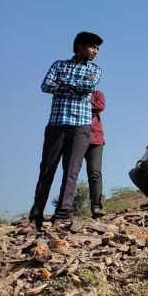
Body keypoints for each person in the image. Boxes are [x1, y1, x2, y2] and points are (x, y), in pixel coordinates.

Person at [29, 31, 103, 229]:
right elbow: (45, 85)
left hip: (81, 126)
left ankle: (61, 215)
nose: (96, 51)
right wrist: (74, 86)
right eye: (92, 47)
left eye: (97, 48)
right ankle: (36, 214)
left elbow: (87, 87)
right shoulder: (59, 65)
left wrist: (62, 84)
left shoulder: (95, 69)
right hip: (57, 124)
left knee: (71, 172)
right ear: (79, 46)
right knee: (47, 170)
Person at [85, 90, 106, 218]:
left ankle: (96, 206)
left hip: (95, 138)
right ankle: (65, 209)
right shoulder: (72, 94)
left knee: (95, 173)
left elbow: (100, 106)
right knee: (70, 173)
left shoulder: (97, 94)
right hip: (75, 138)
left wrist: (81, 104)